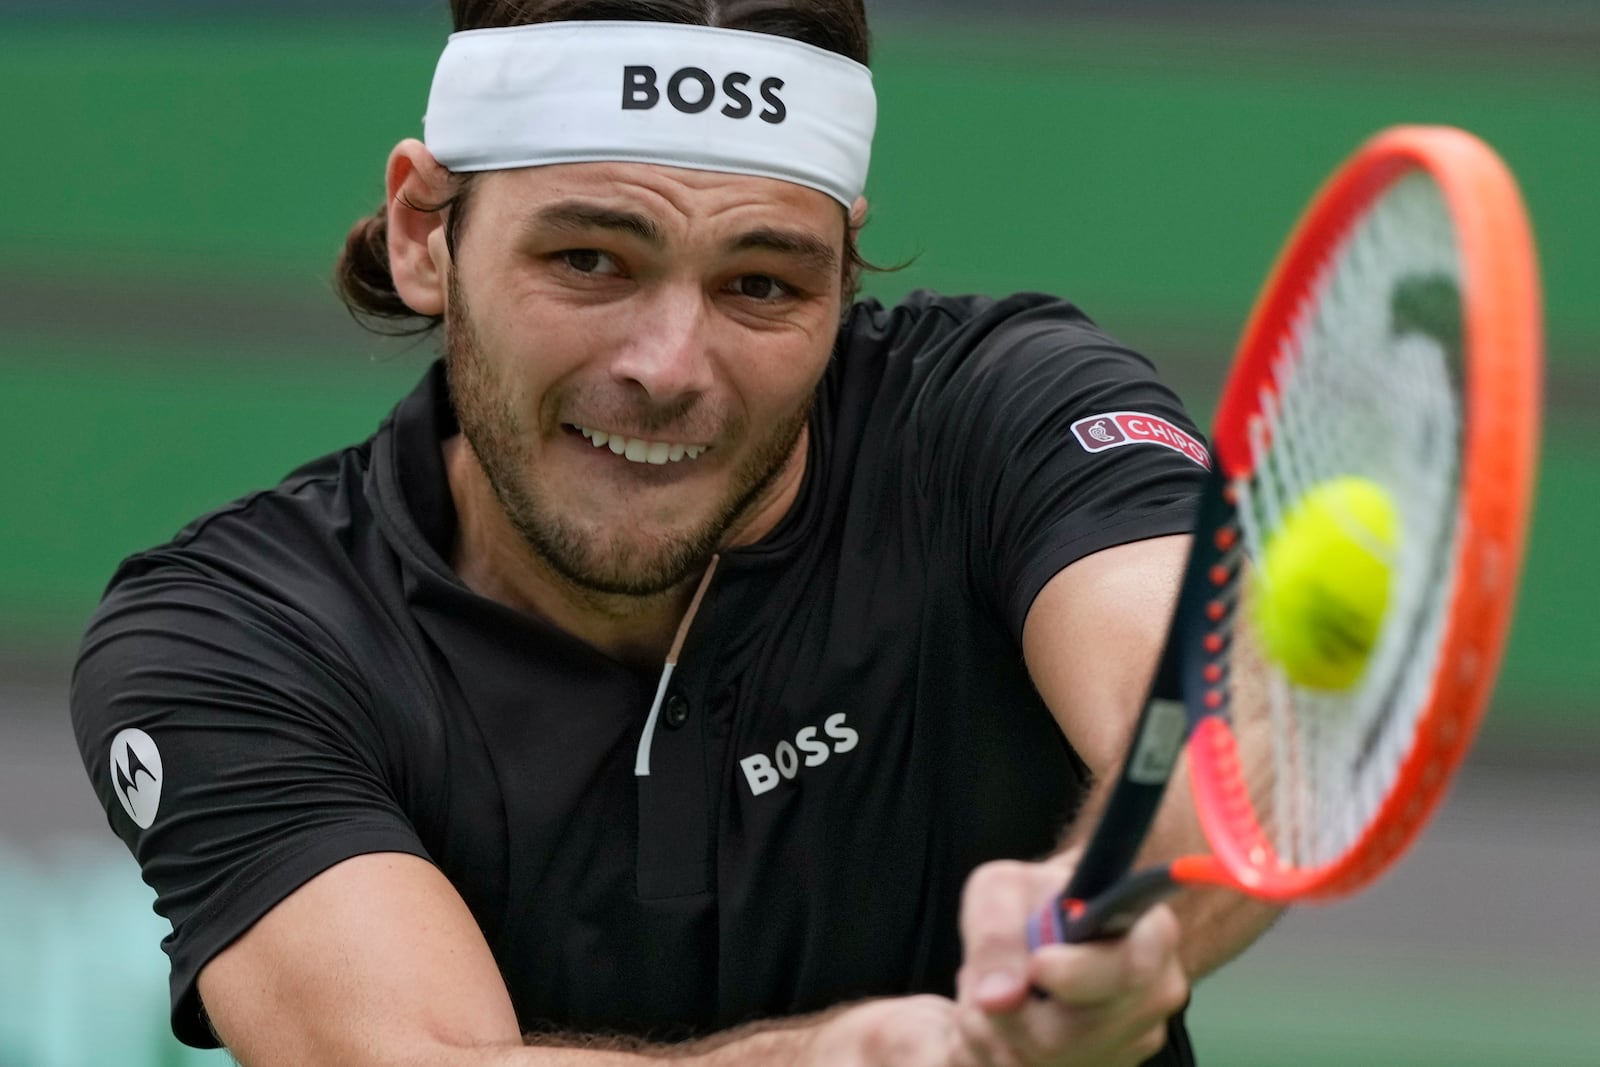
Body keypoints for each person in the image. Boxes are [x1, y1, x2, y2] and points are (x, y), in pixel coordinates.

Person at [71, 1, 1276, 1064]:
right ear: (424, 230)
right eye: (590, 259)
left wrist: (1110, 907)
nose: (668, 368)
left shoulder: (1004, 411)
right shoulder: (236, 636)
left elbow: (1228, 716)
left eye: (762, 284)